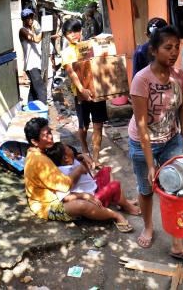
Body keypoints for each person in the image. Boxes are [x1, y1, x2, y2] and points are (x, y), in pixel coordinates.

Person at [128, 25, 183, 262]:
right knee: (146, 189)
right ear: (153, 50)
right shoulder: (142, 80)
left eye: (177, 47)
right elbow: (141, 124)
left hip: (171, 140)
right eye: (168, 47)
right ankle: (148, 227)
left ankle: (177, 244)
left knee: (179, 188)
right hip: (142, 142)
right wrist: (151, 164)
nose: (174, 52)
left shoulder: (180, 77)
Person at [23, 118, 133, 232]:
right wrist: (80, 170)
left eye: (50, 132)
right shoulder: (39, 160)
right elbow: (65, 186)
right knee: (82, 206)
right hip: (48, 206)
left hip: (62, 194)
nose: (50, 137)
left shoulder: (39, 150)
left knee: (105, 174)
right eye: (46, 135)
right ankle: (115, 215)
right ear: (35, 141)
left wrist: (80, 156)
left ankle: (122, 202)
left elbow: (64, 155)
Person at [61, 18, 108, 167]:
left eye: (76, 30)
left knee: (98, 125)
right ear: (65, 35)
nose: (74, 34)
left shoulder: (90, 46)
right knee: (84, 126)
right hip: (80, 94)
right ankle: (84, 147)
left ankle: (95, 157)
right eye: (69, 32)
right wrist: (82, 90)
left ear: (81, 30)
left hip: (97, 93)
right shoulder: (67, 52)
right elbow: (71, 72)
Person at [46, 142, 141, 215]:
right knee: (115, 184)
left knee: (106, 170)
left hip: (94, 187)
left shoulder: (71, 160)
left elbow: (79, 158)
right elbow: (65, 197)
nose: (71, 148)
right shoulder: (64, 172)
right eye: (68, 148)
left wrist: (83, 156)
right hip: (94, 198)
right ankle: (126, 206)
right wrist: (84, 196)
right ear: (65, 157)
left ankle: (119, 200)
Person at [19, 8, 47, 103]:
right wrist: (44, 29)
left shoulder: (33, 31)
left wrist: (39, 29)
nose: (30, 19)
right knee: (41, 89)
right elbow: (36, 40)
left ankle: (31, 109)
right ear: (23, 19)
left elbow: (39, 37)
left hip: (36, 63)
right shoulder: (22, 30)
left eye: (31, 17)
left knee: (34, 90)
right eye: (27, 17)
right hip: (31, 65)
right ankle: (44, 111)